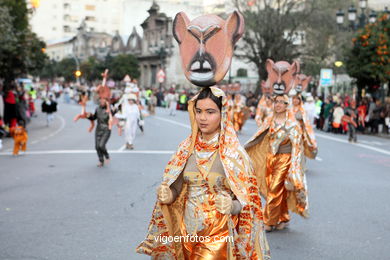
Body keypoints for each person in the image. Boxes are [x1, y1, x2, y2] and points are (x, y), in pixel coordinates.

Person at [136, 87, 270, 259]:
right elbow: (176, 190)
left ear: (222, 115)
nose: (202, 118)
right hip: (186, 231)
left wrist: (231, 206)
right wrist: (166, 194)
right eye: (198, 111)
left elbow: (247, 202)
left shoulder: (234, 154)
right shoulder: (186, 149)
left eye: (210, 112)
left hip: (218, 232)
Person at [245, 94, 308, 232]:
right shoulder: (270, 120)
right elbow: (258, 136)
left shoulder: (293, 125)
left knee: (274, 188)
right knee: (273, 189)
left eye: (282, 102)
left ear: (287, 105)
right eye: (276, 102)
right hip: (270, 158)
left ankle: (269, 221)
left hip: (285, 159)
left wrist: (294, 168)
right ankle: (283, 217)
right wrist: (245, 150)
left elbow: (297, 148)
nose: (278, 104)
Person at [86, 98, 112, 167]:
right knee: (97, 147)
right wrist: (89, 116)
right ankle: (101, 161)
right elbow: (94, 117)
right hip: (98, 129)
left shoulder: (110, 109)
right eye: (101, 101)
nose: (102, 102)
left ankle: (107, 155)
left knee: (101, 145)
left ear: (107, 102)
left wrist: (109, 107)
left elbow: (113, 115)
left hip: (106, 129)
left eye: (104, 101)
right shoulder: (97, 109)